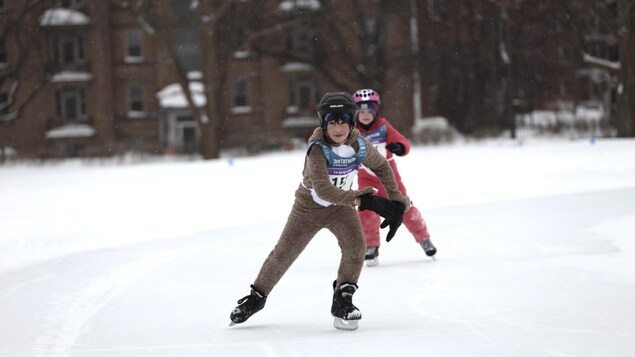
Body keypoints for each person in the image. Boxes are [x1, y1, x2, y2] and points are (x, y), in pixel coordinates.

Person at [229, 92, 410, 330]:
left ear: (351, 122)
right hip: (308, 208)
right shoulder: (318, 149)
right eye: (332, 122)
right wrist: (363, 201)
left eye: (343, 121)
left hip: (341, 207)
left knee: (356, 246)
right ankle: (256, 297)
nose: (338, 128)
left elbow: (382, 167)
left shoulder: (358, 144)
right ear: (323, 124)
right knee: (284, 253)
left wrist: (397, 200)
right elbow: (323, 190)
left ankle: (343, 299)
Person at [352, 88, 437, 266]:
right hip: (365, 178)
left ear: (376, 112)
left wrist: (399, 146)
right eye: (362, 112)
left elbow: (402, 141)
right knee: (366, 211)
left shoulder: (383, 126)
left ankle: (424, 239)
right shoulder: (353, 132)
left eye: (370, 111)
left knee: (404, 207)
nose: (366, 115)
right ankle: (371, 246)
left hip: (389, 178)